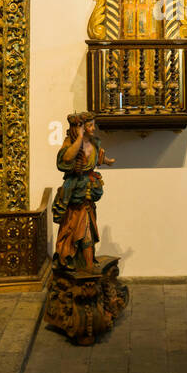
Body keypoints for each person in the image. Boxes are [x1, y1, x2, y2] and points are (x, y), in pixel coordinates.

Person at [51, 111, 115, 271]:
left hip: (88, 191)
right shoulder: (71, 143)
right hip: (75, 193)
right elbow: (65, 159)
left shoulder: (94, 142)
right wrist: (79, 138)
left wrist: (107, 161)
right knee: (80, 228)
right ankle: (86, 265)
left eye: (94, 125)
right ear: (81, 128)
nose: (94, 128)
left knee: (89, 227)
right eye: (90, 125)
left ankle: (87, 263)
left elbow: (99, 157)